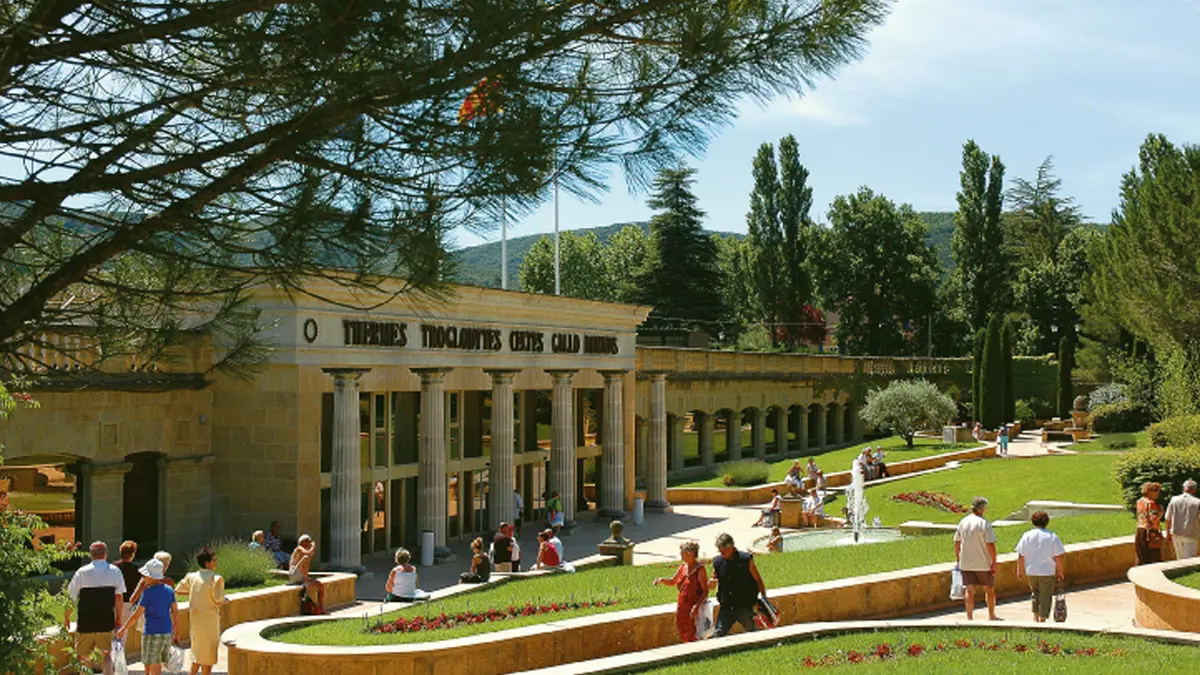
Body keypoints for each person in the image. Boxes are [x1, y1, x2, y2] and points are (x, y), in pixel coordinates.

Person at [64, 541, 126, 675]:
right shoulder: (115, 571)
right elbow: (119, 600)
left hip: (86, 620)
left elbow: (71, 598)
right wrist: (118, 620)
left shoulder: (81, 572)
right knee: (106, 655)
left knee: (83, 656)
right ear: (106, 554)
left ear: (91, 555)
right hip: (106, 620)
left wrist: (67, 617)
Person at [116, 558, 179, 675]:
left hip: (151, 632)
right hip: (166, 632)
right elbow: (175, 611)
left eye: (145, 575)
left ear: (152, 577)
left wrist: (124, 629)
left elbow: (136, 615)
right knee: (158, 664)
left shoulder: (148, 593)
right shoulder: (169, 590)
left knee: (154, 666)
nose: (143, 578)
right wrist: (177, 631)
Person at [175, 547, 225, 675]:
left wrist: (194, 594)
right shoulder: (216, 578)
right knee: (208, 655)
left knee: (197, 652)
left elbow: (179, 589)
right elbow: (219, 599)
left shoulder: (191, 576)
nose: (216, 562)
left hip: (196, 620)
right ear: (207, 563)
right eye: (214, 560)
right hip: (209, 621)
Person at [708, 533, 766, 637]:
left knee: (752, 632)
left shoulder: (746, 559)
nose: (721, 552)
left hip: (744, 605)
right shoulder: (718, 561)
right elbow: (713, 578)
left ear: (731, 547)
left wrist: (764, 600)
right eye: (719, 550)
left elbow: (758, 580)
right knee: (718, 634)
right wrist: (711, 582)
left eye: (723, 550)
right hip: (726, 606)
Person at [1014, 511, 1066, 623]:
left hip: (1031, 571)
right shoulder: (1052, 536)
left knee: (1035, 594)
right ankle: (1042, 620)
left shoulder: (1026, 535)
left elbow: (1021, 554)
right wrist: (1060, 571)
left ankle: (1035, 617)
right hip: (1047, 572)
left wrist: (1020, 569)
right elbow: (1059, 557)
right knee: (1045, 597)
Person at [653, 540, 708, 643]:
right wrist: (662, 580)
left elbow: (705, 591)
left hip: (693, 604)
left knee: (693, 629)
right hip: (682, 603)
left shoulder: (700, 569)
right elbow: (674, 581)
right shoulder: (683, 567)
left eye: (683, 553)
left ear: (690, 554)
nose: (681, 555)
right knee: (682, 626)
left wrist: (696, 606)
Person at [954, 496, 998, 621]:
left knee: (969, 589)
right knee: (989, 589)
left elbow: (957, 542)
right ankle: (991, 615)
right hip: (983, 562)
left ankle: (969, 617)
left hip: (966, 562)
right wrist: (994, 562)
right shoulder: (984, 523)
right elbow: (990, 544)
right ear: (982, 509)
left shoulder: (963, 522)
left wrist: (959, 558)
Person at [287, 534, 325, 612]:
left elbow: (309, 553)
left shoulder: (305, 551)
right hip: (295, 575)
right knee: (306, 557)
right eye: (307, 541)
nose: (309, 543)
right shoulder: (299, 548)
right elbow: (307, 553)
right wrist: (313, 546)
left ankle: (321, 606)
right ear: (302, 542)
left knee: (320, 586)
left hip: (301, 576)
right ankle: (306, 580)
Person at [1165, 479, 1200, 560]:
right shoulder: (1197, 502)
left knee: (1179, 558)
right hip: (1191, 533)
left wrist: (1168, 533)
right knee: (1189, 560)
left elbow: (1167, 518)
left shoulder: (1174, 500)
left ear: (1184, 488)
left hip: (1176, 533)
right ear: (1194, 490)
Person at [1136, 482, 1165, 565]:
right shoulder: (1151, 503)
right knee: (1154, 557)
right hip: (1150, 533)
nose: (1157, 493)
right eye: (1155, 490)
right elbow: (1154, 519)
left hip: (1140, 530)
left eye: (1158, 490)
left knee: (1141, 556)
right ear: (1148, 491)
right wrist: (1161, 512)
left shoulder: (1140, 501)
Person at [115, 540, 140, 618]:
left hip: (115, 603)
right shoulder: (136, 570)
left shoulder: (113, 568)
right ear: (133, 554)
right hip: (130, 604)